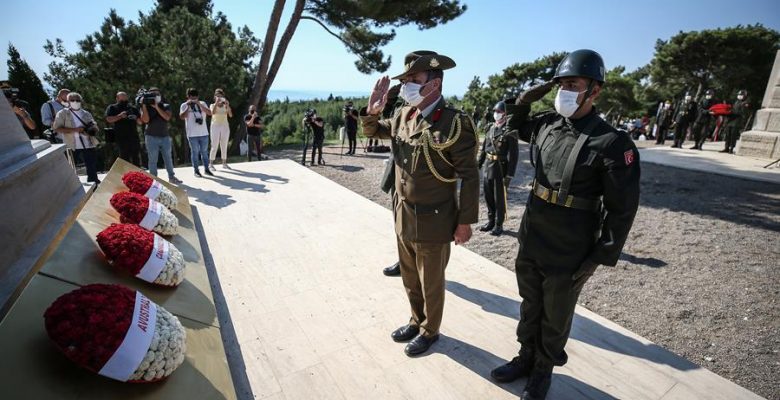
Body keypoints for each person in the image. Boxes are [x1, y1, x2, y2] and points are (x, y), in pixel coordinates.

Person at [490, 50, 640, 400]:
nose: (564, 91)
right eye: (560, 84)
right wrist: (524, 100)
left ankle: (543, 371)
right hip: (534, 233)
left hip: (571, 245)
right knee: (530, 302)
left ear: (595, 91)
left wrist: (599, 256)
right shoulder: (546, 124)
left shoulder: (613, 143)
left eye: (573, 84)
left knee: (555, 314)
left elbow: (622, 210)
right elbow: (511, 123)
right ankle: (525, 356)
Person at [361, 50, 479, 356]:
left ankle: (430, 331)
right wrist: (373, 111)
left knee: (431, 281)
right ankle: (416, 320)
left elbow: (469, 175)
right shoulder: (404, 114)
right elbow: (374, 131)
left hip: (435, 217)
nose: (407, 86)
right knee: (410, 276)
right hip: (403, 213)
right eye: (406, 80)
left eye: (414, 79)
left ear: (434, 84)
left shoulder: (454, 123)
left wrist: (465, 221)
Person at [477, 100, 519, 236]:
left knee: (499, 198)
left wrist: (510, 175)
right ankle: (490, 221)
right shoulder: (490, 128)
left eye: (499, 112)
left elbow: (514, 156)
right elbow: (484, 150)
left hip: (500, 169)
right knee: (488, 196)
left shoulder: (510, 131)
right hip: (488, 167)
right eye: (495, 111)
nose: (496, 114)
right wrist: (478, 165)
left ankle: (498, 224)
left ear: (505, 114)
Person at [379, 82, 404, 277]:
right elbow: (385, 115)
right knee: (399, 222)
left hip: (416, 180)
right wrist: (395, 90)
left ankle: (415, 264)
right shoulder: (400, 109)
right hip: (397, 173)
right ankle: (404, 262)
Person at [53, 92, 101, 184]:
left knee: (92, 166)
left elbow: (95, 126)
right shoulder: (63, 113)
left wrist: (91, 129)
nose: (75, 102)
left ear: (81, 101)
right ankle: (71, 184)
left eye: (77, 100)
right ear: (68, 101)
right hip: (71, 144)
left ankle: (94, 184)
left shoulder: (86, 113)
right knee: (70, 167)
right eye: (72, 100)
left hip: (88, 143)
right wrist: (75, 130)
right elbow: (57, 128)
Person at [139, 87, 181, 184]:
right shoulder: (146, 107)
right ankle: (154, 180)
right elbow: (145, 120)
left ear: (160, 96)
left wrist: (157, 107)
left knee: (168, 158)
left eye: (156, 94)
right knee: (153, 159)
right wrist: (144, 106)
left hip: (164, 136)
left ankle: (172, 177)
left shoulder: (165, 105)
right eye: (152, 95)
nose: (155, 97)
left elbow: (167, 117)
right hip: (151, 136)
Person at [179, 88, 213, 177]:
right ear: (188, 97)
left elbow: (210, 113)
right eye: (191, 97)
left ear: (198, 97)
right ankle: (196, 171)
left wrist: (199, 104)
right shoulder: (184, 105)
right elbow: (182, 117)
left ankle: (206, 169)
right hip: (192, 134)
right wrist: (188, 107)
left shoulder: (202, 103)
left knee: (204, 152)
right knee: (194, 153)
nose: (193, 98)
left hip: (204, 133)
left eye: (195, 97)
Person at [105, 91, 141, 166]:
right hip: (121, 137)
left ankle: (138, 175)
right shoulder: (112, 107)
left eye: (125, 100)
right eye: (122, 100)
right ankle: (126, 175)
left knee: (136, 157)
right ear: (117, 99)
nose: (124, 102)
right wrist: (120, 116)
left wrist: (136, 118)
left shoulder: (133, 109)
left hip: (134, 136)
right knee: (124, 158)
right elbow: (109, 119)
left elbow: (140, 121)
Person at [720, 89, 751, 154]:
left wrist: (732, 112)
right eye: (739, 95)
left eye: (741, 95)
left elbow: (743, 113)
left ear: (744, 96)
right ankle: (726, 147)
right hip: (730, 120)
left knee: (733, 136)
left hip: (737, 121)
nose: (739, 96)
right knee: (728, 135)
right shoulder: (736, 102)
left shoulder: (745, 103)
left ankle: (731, 148)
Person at [209, 88, 232, 170]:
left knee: (224, 145)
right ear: (214, 97)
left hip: (225, 126)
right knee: (214, 145)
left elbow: (230, 115)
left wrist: (228, 105)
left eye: (220, 96)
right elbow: (213, 112)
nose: (219, 97)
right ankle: (211, 164)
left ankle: (224, 163)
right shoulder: (212, 105)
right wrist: (216, 103)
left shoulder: (225, 105)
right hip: (215, 126)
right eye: (217, 96)